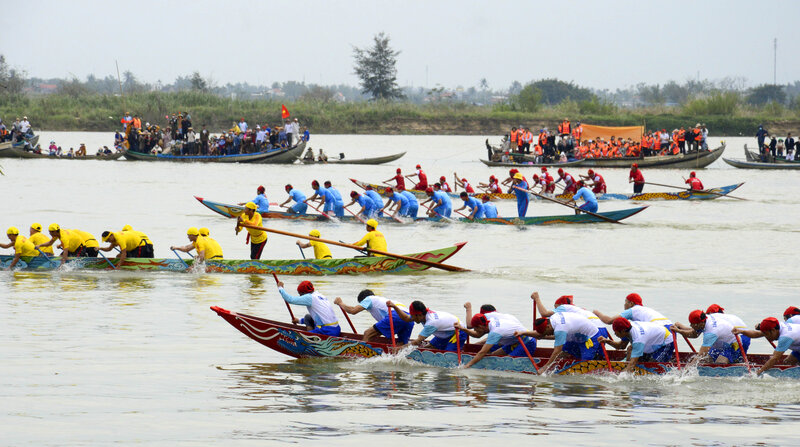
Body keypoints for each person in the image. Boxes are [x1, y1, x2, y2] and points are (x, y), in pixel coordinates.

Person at [524, 312, 602, 372]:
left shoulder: (560, 328)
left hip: (591, 336)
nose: (547, 335)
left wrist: (545, 367)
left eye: (546, 333)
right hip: (575, 336)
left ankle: (597, 361)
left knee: (585, 364)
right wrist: (523, 333)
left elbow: (557, 350)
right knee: (564, 353)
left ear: (548, 326)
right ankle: (557, 369)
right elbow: (551, 338)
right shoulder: (553, 318)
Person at [455, 312, 537, 369]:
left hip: (527, 343)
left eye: (476, 329)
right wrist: (463, 329)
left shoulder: (495, 332)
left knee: (505, 362)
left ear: (480, 326)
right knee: (493, 356)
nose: (476, 331)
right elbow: (477, 335)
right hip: (515, 342)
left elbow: (482, 352)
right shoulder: (490, 322)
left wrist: (467, 365)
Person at [334, 290, 414, 344]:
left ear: (363, 300)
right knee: (400, 345)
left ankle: (362, 356)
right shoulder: (382, 301)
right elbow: (383, 328)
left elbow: (353, 310)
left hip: (395, 316)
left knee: (367, 333)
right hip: (410, 319)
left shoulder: (369, 299)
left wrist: (340, 303)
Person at [672, 310, 749, 364]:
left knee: (720, 362)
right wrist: (679, 330)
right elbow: (694, 334)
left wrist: (687, 369)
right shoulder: (705, 319)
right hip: (722, 344)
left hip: (735, 344)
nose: (691, 326)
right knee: (705, 360)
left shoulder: (711, 332)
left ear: (700, 323)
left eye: (692, 324)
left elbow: (701, 354)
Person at [599, 317, 675, 372]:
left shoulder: (638, 339)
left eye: (616, 332)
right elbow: (621, 346)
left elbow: (632, 365)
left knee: (652, 367)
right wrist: (606, 341)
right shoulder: (627, 327)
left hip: (666, 342)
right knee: (631, 350)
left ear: (623, 331)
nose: (615, 334)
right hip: (652, 340)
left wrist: (618, 378)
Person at [389, 300, 467, 351]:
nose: (412, 318)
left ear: (419, 315)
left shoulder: (431, 323)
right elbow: (406, 318)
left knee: (448, 356)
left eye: (413, 316)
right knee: (428, 348)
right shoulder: (423, 315)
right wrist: (394, 306)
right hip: (446, 332)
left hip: (459, 332)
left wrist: (399, 349)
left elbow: (418, 341)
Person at [733, 317, 800, 375]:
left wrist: (759, 372)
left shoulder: (785, 337)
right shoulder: (777, 326)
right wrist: (741, 331)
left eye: (766, 334)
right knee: (787, 362)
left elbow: (775, 358)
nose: (766, 337)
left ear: (773, 330)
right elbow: (756, 334)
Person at [531, 291, 609, 338]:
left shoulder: (563, 308)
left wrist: (537, 298)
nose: (554, 311)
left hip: (593, 332)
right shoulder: (579, 310)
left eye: (555, 307)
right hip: (603, 330)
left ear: (561, 304)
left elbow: (544, 314)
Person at [593, 293, 673, 329]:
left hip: (661, 328)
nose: (624, 304)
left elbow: (609, 321)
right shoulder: (645, 309)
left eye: (625, 302)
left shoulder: (633, 310)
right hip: (670, 326)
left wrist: (596, 313)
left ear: (631, 303)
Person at [36, 224, 100, 265]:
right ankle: (55, 265)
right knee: (60, 257)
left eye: (50, 232)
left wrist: (62, 264)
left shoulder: (64, 237)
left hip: (80, 247)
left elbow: (65, 251)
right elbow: (50, 243)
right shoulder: (56, 234)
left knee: (74, 261)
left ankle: (86, 262)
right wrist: (40, 245)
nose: (49, 233)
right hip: (71, 247)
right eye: (49, 232)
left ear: (55, 231)